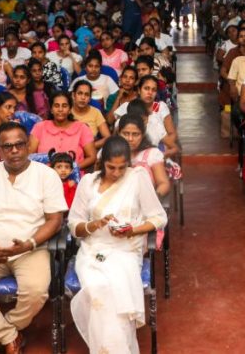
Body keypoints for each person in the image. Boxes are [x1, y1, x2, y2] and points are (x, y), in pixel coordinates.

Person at [0, 122, 66, 354]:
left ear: (28, 145)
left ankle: (2, 333)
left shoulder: (47, 176)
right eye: (7, 146)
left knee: (36, 291)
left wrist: (29, 244)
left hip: (31, 249)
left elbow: (55, 220)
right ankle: (9, 336)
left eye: (19, 144)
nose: (14, 150)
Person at [68, 136, 167, 354]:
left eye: (122, 167)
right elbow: (74, 225)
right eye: (111, 167)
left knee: (114, 290)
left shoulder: (137, 178)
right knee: (98, 288)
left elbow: (159, 217)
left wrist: (133, 230)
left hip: (126, 251)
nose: (117, 173)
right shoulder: (88, 183)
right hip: (93, 251)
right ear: (102, 162)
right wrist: (94, 224)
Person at [28, 93, 96, 170]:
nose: (60, 109)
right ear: (51, 110)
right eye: (56, 106)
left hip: (73, 175)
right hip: (43, 175)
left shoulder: (82, 128)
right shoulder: (39, 127)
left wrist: (72, 169)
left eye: (64, 106)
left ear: (70, 110)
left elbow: (92, 157)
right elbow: (29, 156)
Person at [118, 115, 171, 198]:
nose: (130, 139)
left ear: (142, 135)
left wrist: (152, 199)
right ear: (119, 133)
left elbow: (163, 183)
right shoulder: (111, 152)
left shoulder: (152, 154)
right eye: (125, 134)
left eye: (135, 134)